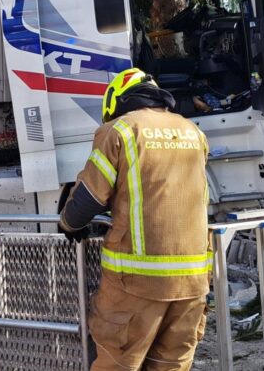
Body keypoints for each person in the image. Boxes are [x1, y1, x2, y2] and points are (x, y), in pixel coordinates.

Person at [58, 68, 211, 371]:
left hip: (136, 284)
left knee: (118, 363)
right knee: (170, 365)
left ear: (116, 100)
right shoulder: (192, 131)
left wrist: (68, 224)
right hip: (193, 284)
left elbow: (88, 198)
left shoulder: (121, 130)